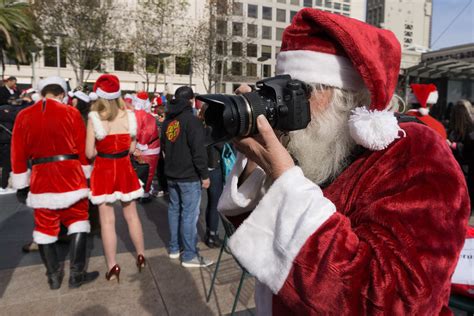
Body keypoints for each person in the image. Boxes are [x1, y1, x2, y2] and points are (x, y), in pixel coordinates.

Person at [217, 9, 469, 314]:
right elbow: (262, 245)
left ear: (347, 96)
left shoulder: (417, 155)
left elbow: (398, 300)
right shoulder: (319, 146)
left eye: (299, 91)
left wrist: (285, 179)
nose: (285, 105)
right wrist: (257, 164)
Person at [10, 76, 98, 290]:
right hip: (71, 174)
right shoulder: (71, 113)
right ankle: (77, 274)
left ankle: (53, 275)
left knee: (45, 227)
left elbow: (17, 153)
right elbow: (80, 147)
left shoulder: (24, 115)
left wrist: (21, 182)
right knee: (78, 221)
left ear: (41, 93)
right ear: (61, 93)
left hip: (42, 177)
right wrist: (86, 172)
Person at [86, 74, 145, 283]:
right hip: (124, 169)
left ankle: (113, 266)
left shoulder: (94, 117)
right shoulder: (129, 116)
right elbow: (131, 148)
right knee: (132, 216)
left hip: (103, 170)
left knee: (107, 222)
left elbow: (89, 152)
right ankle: (140, 255)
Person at [161, 86, 212, 268]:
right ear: (191, 100)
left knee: (175, 211)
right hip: (189, 176)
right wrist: (204, 175)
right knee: (189, 216)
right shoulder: (192, 121)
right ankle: (190, 254)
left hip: (172, 174)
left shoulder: (168, 121)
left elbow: (164, 149)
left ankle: (175, 248)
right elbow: (199, 152)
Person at [199, 103, 224, 248]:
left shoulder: (199, 126)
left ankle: (210, 233)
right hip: (213, 168)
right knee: (214, 204)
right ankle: (212, 235)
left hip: (202, 168)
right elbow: (222, 146)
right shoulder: (214, 129)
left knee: (210, 204)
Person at [132, 91, 160, 202]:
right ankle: (144, 194)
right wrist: (141, 145)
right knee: (148, 171)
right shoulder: (147, 116)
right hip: (149, 147)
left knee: (137, 170)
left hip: (135, 146)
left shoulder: (132, 114)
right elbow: (148, 132)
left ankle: (137, 191)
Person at [447, 99, 474, 212]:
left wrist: (453, 145)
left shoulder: (470, 130)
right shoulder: (453, 128)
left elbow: (470, 150)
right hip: (459, 169)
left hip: (465, 169)